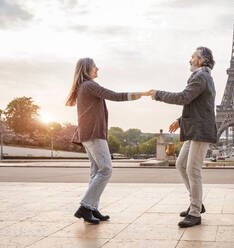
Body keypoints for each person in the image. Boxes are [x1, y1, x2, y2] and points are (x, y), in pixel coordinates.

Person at [146, 47, 217, 228]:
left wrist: (158, 94)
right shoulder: (201, 76)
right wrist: (180, 120)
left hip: (200, 130)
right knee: (181, 164)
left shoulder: (201, 77)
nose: (190, 60)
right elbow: (199, 104)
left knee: (193, 169)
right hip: (195, 128)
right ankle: (197, 203)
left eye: (193, 57)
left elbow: (184, 97)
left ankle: (195, 212)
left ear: (201, 60)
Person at [66, 58, 142, 224]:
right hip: (93, 133)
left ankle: (91, 208)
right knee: (106, 169)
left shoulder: (83, 86)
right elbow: (113, 95)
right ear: (87, 69)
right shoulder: (89, 85)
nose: (98, 69)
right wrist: (139, 94)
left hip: (87, 133)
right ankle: (85, 207)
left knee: (95, 172)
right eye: (95, 67)